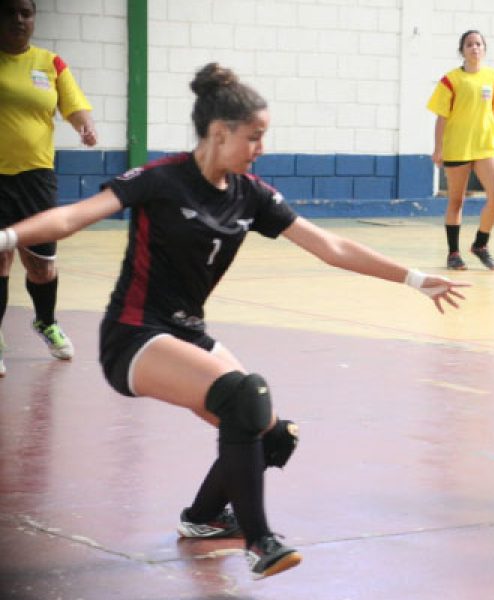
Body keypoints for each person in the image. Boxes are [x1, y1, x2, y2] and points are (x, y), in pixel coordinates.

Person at [0, 63, 468, 578]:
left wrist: (416, 279)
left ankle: (202, 519)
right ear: (220, 133)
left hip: (187, 332)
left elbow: (330, 246)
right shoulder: (161, 179)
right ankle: (260, 540)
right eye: (255, 137)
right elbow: (74, 216)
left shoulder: (251, 194)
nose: (261, 148)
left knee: (271, 434)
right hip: (134, 335)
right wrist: (8, 238)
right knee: (245, 395)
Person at [0, 0, 97, 377]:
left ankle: (45, 321)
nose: (18, 20)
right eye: (9, 12)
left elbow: (74, 106)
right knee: (1, 258)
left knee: (41, 265)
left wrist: (84, 126)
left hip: (36, 177)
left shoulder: (50, 63)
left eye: (25, 12)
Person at [428, 29, 494, 271]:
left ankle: (480, 245)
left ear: (484, 49)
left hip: (486, 147)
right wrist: (438, 147)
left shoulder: (493, 77)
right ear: (462, 50)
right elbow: (441, 117)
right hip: (457, 147)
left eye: (478, 44)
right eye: (469, 44)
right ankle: (453, 253)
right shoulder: (451, 80)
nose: (474, 48)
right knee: (456, 200)